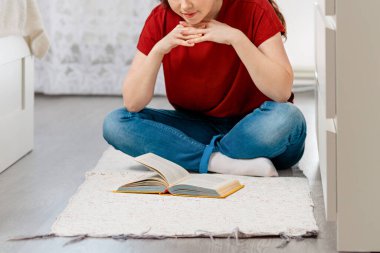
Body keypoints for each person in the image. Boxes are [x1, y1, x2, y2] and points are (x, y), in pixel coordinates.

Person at [103, 0, 307, 177]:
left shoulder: (254, 7)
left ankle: (198, 156)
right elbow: (132, 102)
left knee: (288, 118)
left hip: (256, 129)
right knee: (116, 122)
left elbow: (281, 92)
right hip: (200, 127)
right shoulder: (161, 18)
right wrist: (159, 50)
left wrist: (236, 38)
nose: (184, 6)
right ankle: (218, 162)